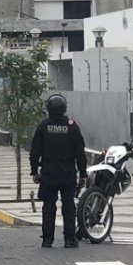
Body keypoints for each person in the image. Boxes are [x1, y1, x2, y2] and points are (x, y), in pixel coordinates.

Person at [29, 94, 87, 249]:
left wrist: (34, 171)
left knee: (48, 206)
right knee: (68, 206)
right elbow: (80, 152)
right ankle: (69, 239)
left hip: (49, 173)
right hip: (68, 173)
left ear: (48, 109)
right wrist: (83, 174)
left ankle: (47, 239)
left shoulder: (44, 126)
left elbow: (35, 151)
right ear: (64, 108)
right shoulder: (72, 126)